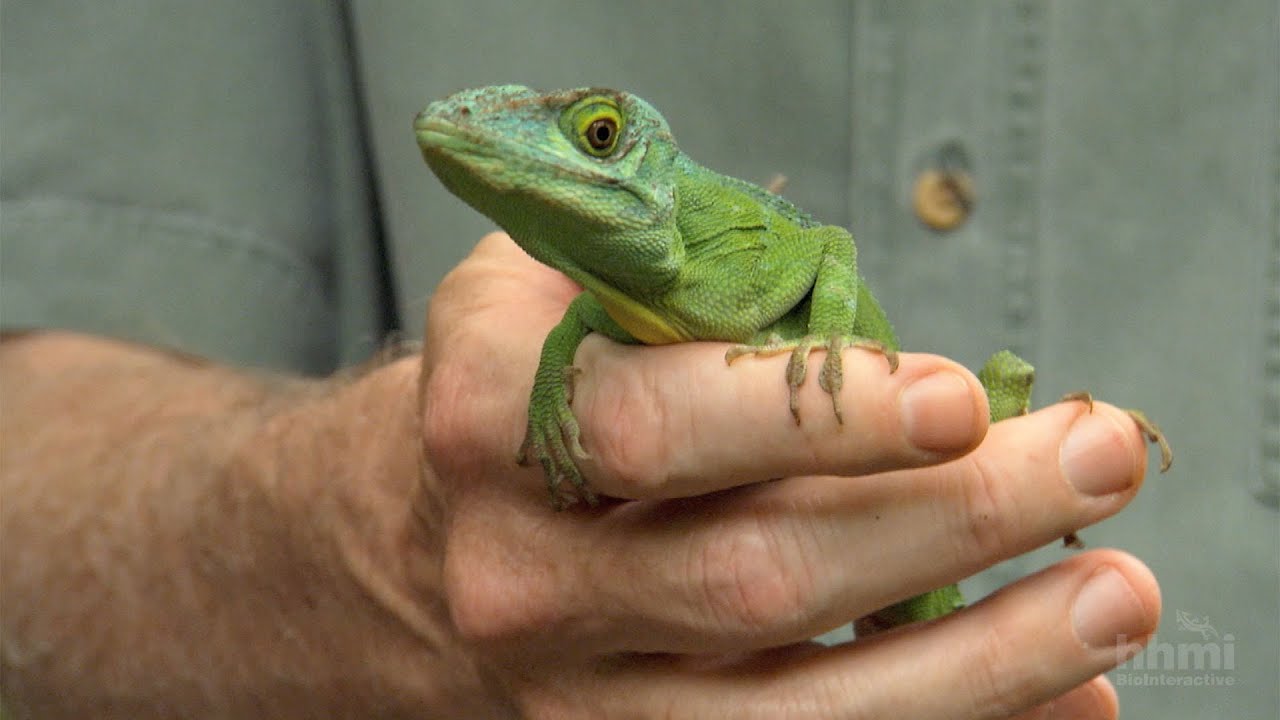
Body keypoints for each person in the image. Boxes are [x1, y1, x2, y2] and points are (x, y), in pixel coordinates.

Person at [1, 3, 1274, 718]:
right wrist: (397, 528)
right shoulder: (615, 287)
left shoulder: (725, 255)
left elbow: (823, 245)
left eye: (597, 134)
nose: (581, 149)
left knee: (989, 401)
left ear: (640, 157)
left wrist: (833, 344)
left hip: (930, 536)